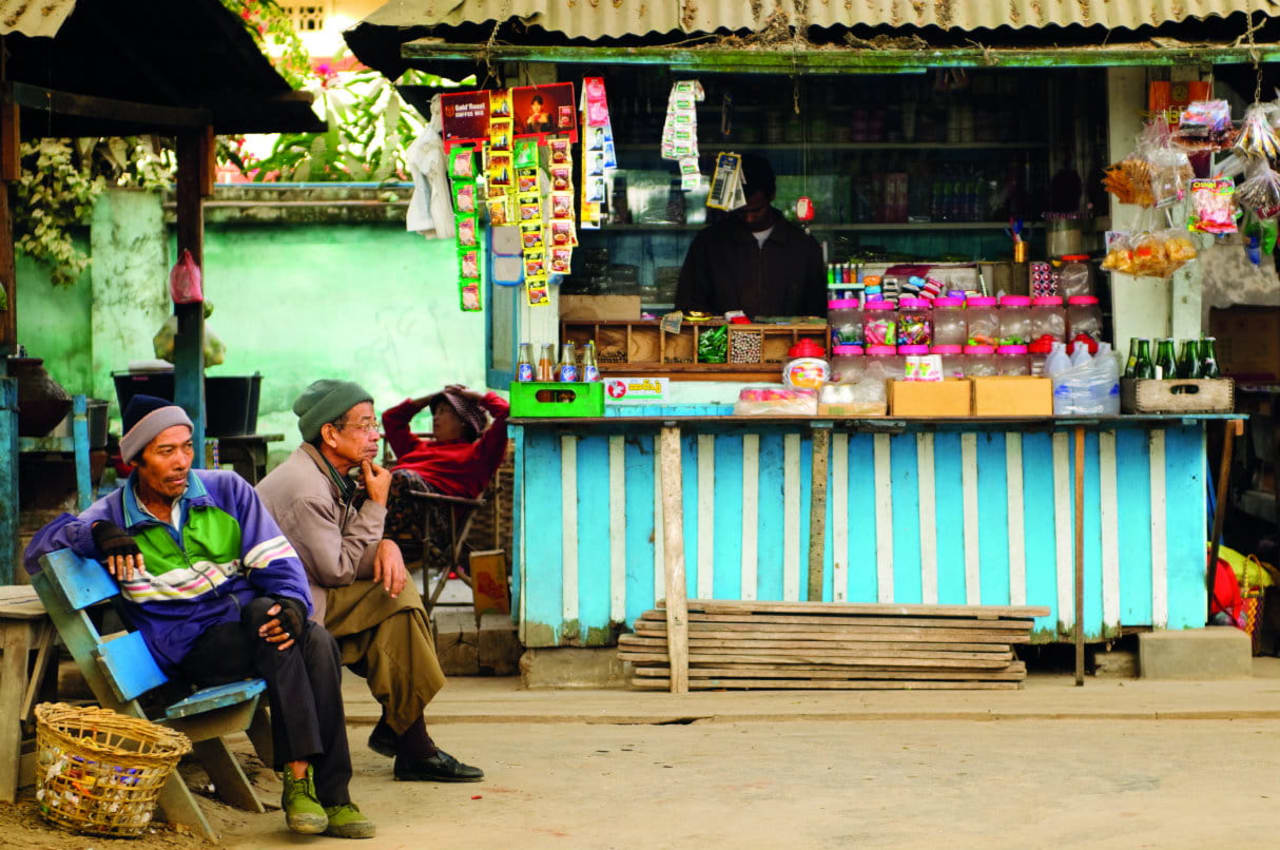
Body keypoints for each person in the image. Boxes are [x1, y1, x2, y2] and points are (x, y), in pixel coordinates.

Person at [24, 395, 374, 839]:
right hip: (186, 648)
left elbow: (280, 564)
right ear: (135, 460)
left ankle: (324, 791)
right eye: (165, 452)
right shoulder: (114, 514)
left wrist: (291, 605)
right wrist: (98, 533)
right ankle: (318, 788)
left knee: (308, 635)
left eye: (186, 447)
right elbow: (38, 551)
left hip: (246, 624)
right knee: (279, 630)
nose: (181, 462)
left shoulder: (226, 492)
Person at [256, 380, 484, 783]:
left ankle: (410, 740)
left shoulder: (326, 473)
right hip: (287, 616)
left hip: (314, 597)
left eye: (374, 424)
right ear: (330, 433)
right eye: (364, 426)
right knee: (396, 597)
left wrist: (386, 546)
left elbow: (340, 555)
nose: (375, 434)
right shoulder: (305, 488)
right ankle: (407, 738)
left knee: (395, 603)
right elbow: (338, 569)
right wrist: (377, 507)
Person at [674, 153, 827, 319]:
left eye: (756, 210)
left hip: (790, 343)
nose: (749, 218)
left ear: (772, 196)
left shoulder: (802, 245)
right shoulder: (709, 243)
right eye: (741, 211)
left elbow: (818, 311)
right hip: (722, 342)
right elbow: (688, 305)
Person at [380, 384, 509, 547]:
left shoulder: (478, 456)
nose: (435, 417)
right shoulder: (416, 447)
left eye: (443, 411)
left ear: (463, 421)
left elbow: (507, 413)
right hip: (388, 514)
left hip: (430, 528)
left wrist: (478, 397)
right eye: (435, 412)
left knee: (400, 478)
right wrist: (430, 398)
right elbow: (391, 419)